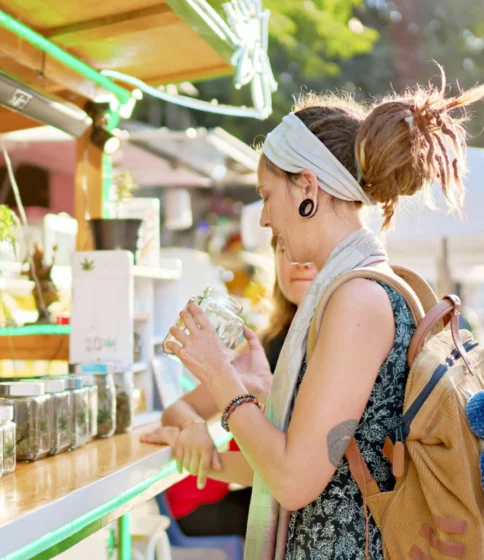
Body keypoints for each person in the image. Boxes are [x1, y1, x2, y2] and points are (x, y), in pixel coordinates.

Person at [159, 79, 484, 559]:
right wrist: (261, 392)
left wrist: (220, 376)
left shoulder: (356, 299)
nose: (265, 219)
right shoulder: (364, 284)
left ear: (307, 188)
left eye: (267, 195)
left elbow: (294, 481)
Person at [142, 236, 317, 536]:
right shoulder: (262, 346)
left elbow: (296, 471)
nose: (300, 262)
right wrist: (193, 426)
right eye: (285, 250)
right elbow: (178, 409)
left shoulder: (335, 348)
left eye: (311, 250)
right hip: (261, 504)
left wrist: (199, 458)